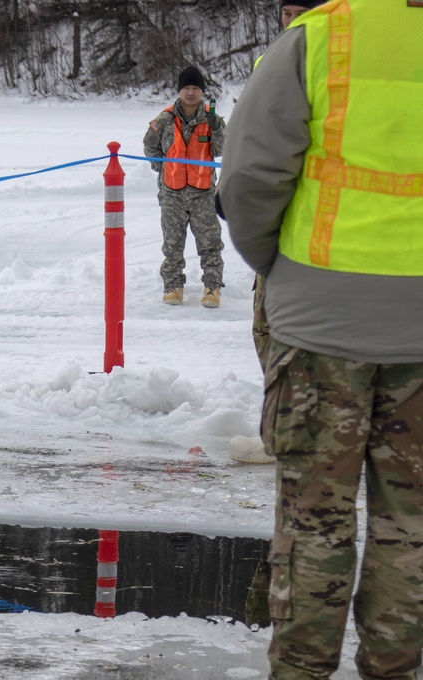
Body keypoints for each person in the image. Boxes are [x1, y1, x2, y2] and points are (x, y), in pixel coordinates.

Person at [216, 1, 423, 677]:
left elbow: (249, 175)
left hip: (321, 323)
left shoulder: (324, 34)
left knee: (314, 523)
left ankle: (302, 671)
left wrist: (276, 267)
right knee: (410, 524)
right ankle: (396, 666)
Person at [251, 0, 328, 374]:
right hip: (279, 221)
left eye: (302, 12)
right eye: (287, 13)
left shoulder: (338, 60)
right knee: (266, 330)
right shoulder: (269, 63)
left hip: (322, 228)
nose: (293, 21)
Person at [143, 66, 226, 308]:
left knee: (210, 242)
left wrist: (217, 128)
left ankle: (212, 286)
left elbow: (223, 149)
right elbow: (150, 148)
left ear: (202, 92)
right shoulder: (164, 119)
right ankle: (173, 285)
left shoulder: (212, 120)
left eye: (195, 88)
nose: (191, 93)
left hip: (203, 194)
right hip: (172, 194)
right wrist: (165, 170)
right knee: (172, 243)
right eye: (186, 88)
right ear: (180, 91)